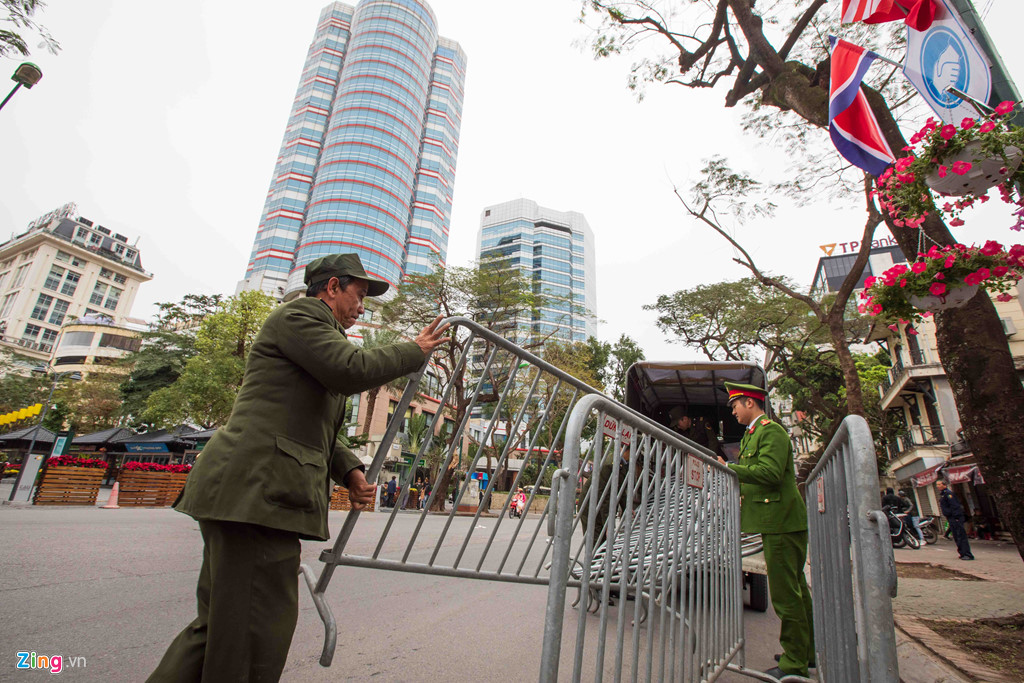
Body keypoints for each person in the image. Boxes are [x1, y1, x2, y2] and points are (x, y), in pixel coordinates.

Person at [147, 253, 449, 682]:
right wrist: (413, 351)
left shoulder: (318, 336)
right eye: (359, 295)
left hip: (250, 495)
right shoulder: (301, 316)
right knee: (254, 633)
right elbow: (350, 371)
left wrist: (349, 470)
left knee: (219, 630)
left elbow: (311, 424)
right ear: (332, 287)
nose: (362, 307)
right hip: (255, 495)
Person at [717, 382, 813, 679]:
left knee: (786, 596)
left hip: (781, 522)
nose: (733, 412)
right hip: (776, 521)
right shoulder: (752, 434)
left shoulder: (771, 432)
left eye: (735, 405)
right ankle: (805, 652)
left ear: (749, 402)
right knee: (796, 591)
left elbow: (770, 473)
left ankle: (794, 663)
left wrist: (729, 468)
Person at [937, 479, 974, 560]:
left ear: (944, 485)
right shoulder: (943, 495)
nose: (938, 486)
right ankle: (962, 553)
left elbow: (955, 506)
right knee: (956, 536)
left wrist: (957, 517)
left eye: (939, 484)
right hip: (950, 518)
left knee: (961, 536)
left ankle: (967, 554)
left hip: (955, 518)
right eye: (937, 485)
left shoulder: (949, 494)